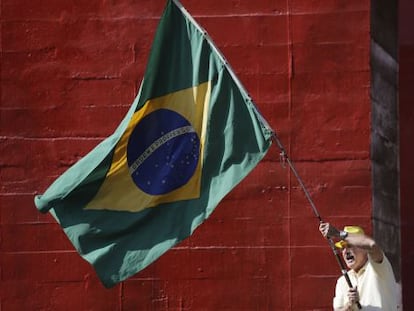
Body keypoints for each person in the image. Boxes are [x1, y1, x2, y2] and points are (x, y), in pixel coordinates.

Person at [319, 222, 399, 310]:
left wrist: (339, 234)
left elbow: (371, 244)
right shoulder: (342, 281)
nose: (346, 251)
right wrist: (349, 305)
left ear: (364, 249)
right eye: (343, 247)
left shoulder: (378, 267)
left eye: (350, 246)